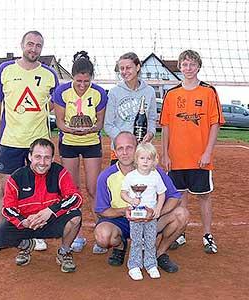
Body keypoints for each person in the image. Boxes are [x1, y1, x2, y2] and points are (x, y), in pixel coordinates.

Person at [0, 30, 59, 255]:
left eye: (38, 45)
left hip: (38, 144)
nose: (34, 49)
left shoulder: (49, 74)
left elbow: (56, 102)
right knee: (7, 188)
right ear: (22, 45)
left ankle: (35, 234)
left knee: (38, 191)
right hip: (11, 141)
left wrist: (42, 111)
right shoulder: (5, 70)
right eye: (30, 44)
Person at [94, 131, 189, 273]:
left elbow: (174, 196)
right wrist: (125, 210)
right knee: (103, 235)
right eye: (120, 148)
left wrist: (156, 213)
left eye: (129, 147)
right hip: (121, 221)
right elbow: (102, 210)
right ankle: (121, 247)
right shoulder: (106, 176)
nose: (125, 152)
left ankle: (160, 253)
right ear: (114, 151)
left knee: (182, 214)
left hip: (150, 219)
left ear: (137, 147)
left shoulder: (153, 171)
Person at [160, 50, 225, 254]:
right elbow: (166, 127)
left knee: (204, 196)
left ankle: (207, 235)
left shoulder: (208, 91)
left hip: (200, 157)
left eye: (192, 64)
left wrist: (208, 152)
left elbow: (215, 124)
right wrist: (165, 153)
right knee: (180, 196)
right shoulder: (172, 94)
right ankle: (181, 233)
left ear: (198, 66)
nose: (188, 68)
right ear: (179, 67)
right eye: (185, 64)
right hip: (177, 157)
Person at [0, 138, 83, 272]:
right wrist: (23, 222)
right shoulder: (17, 177)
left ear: (52, 158)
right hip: (27, 223)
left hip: (51, 220)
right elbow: (8, 208)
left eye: (47, 158)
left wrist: (50, 211)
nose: (42, 163)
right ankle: (26, 244)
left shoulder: (60, 172)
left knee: (75, 217)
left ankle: (64, 252)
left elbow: (76, 198)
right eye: (38, 157)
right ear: (30, 156)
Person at [52, 51, 108, 254]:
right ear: (72, 77)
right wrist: (70, 129)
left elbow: (100, 123)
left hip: (91, 141)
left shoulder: (99, 93)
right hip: (69, 142)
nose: (82, 85)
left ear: (91, 78)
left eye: (86, 81)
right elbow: (59, 122)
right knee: (73, 189)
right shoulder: (62, 92)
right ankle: (78, 235)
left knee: (93, 189)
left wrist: (91, 129)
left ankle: (101, 235)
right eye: (78, 81)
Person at [121, 143, 166, 280]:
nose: (145, 161)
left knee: (150, 240)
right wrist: (131, 200)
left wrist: (158, 209)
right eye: (142, 158)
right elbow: (123, 193)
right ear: (136, 159)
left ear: (154, 161)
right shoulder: (130, 176)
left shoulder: (155, 175)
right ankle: (134, 266)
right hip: (135, 216)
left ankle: (151, 264)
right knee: (136, 241)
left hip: (150, 216)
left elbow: (162, 193)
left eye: (149, 158)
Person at [104, 52, 157, 164]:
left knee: (141, 181)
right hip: (121, 150)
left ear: (137, 67)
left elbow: (152, 119)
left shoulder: (149, 91)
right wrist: (125, 141)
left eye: (128, 68)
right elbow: (108, 124)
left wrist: (150, 134)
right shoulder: (114, 92)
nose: (124, 72)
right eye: (121, 68)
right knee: (119, 181)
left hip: (142, 151)